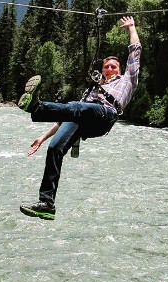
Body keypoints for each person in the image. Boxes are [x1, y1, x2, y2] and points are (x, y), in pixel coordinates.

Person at [17, 16, 141, 220]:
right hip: (82, 116)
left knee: (76, 107)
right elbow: (66, 114)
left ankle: (36, 107)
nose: (109, 69)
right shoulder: (92, 90)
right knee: (55, 148)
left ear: (119, 70)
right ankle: (47, 203)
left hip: (104, 115)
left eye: (113, 67)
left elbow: (135, 51)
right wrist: (42, 137)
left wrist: (132, 28)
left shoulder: (128, 80)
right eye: (106, 66)